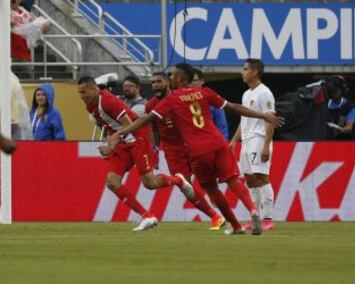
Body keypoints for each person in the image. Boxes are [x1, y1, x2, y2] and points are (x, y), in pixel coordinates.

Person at [111, 63, 283, 235]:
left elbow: (146, 120)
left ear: (180, 77)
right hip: (218, 143)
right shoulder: (204, 92)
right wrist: (262, 115)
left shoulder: (171, 99)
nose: (170, 78)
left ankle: (236, 225)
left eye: (172, 75)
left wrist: (121, 133)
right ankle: (253, 210)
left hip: (198, 150)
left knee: (212, 189)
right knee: (233, 181)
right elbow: (234, 107)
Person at [78, 76, 195, 231]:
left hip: (138, 138)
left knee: (150, 183)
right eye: (79, 93)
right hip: (122, 142)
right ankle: (147, 216)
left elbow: (128, 124)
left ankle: (178, 180)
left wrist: (113, 143)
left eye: (84, 92)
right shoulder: (90, 106)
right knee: (112, 182)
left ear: (94, 89)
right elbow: (112, 125)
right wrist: (110, 139)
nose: (81, 96)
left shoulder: (107, 101)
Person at [146, 72, 225, 230]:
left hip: (191, 143)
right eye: (152, 82)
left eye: (158, 81)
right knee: (186, 186)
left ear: (168, 82)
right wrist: (154, 149)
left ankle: (217, 203)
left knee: (208, 180)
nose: (155, 85)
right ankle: (215, 217)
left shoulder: (181, 97)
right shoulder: (151, 105)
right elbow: (153, 130)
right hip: (172, 149)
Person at [229, 58, 276, 231]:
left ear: (255, 72)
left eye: (245, 69)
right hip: (246, 141)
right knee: (249, 179)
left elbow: (271, 120)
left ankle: (268, 219)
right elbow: (244, 120)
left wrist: (266, 145)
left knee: (262, 177)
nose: (242, 72)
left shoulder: (264, 93)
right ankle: (255, 217)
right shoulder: (246, 94)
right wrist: (234, 140)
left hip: (258, 139)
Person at [11, 0, 50, 78]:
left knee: (28, 80)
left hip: (23, 55)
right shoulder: (3, 13)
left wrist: (45, 27)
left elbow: (40, 24)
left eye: (13, 1)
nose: (12, 2)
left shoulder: (24, 12)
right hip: (7, 56)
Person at [191, 68, 229, 140]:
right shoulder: (182, 98)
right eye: (190, 81)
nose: (192, 83)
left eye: (195, 80)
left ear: (202, 81)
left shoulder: (211, 97)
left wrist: (223, 142)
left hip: (208, 141)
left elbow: (222, 124)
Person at [323, 75, 355, 140]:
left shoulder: (349, 106)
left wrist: (340, 130)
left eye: (335, 91)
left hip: (342, 143)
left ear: (343, 90)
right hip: (324, 142)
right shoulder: (323, 104)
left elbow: (349, 128)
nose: (333, 93)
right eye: (331, 91)